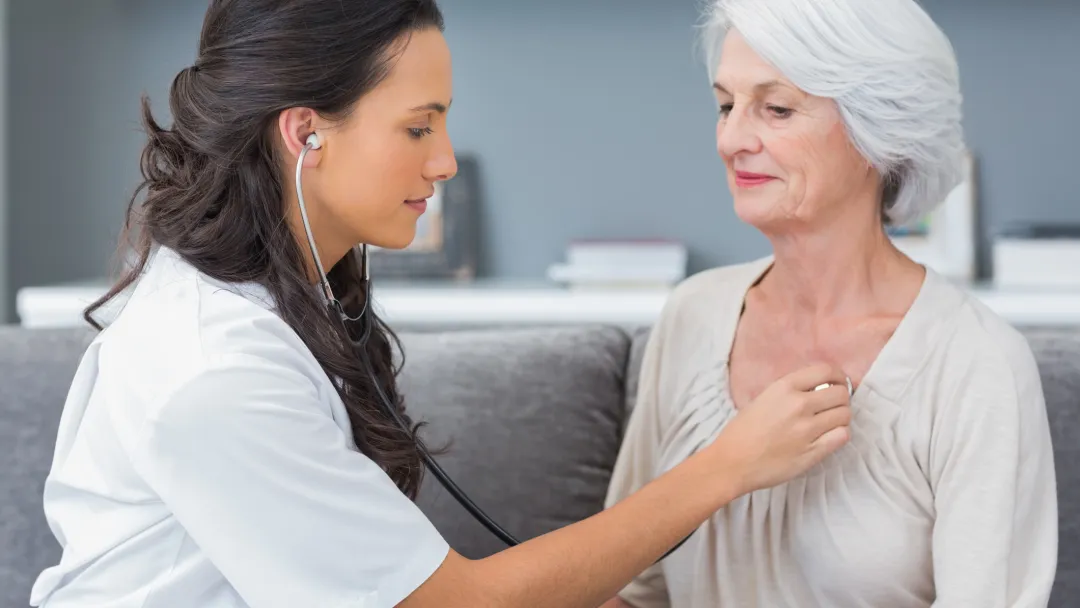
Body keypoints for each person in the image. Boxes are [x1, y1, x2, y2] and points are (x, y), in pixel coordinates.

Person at [28, 1, 857, 607]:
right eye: (419, 128)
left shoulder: (260, 301)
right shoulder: (217, 371)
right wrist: (728, 467)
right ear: (306, 134)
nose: (446, 162)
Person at [602, 0, 1059, 606]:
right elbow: (631, 589)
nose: (733, 138)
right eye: (725, 105)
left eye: (777, 108)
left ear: (879, 130)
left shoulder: (976, 365)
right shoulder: (693, 316)